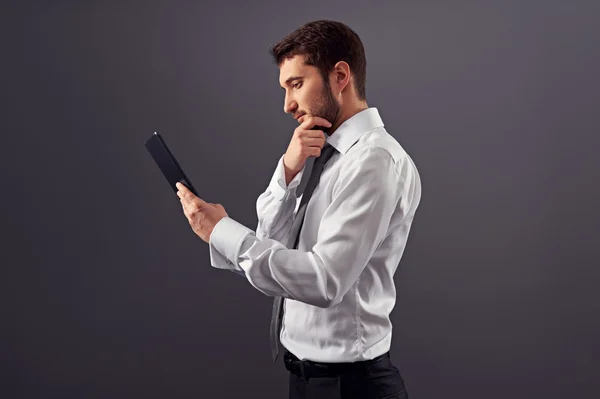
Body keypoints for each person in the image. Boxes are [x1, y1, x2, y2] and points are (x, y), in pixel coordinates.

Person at [176, 19, 421, 399]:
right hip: (309, 379)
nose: (288, 104)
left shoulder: (373, 161)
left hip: (350, 387)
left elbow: (324, 281)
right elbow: (271, 244)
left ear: (340, 75)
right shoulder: (331, 156)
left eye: (296, 84)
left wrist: (221, 231)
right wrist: (287, 172)